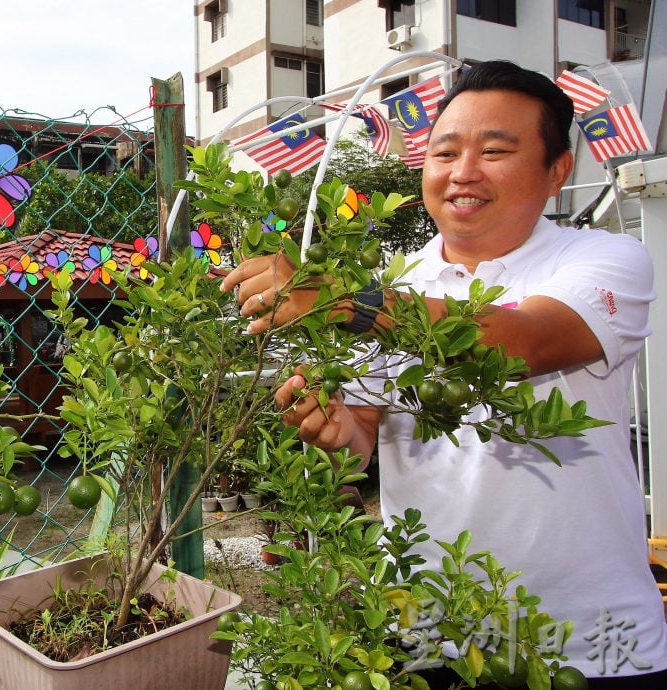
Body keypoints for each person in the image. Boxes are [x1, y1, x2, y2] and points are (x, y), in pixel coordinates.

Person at [221, 61, 667, 687]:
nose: (463, 172)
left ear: (557, 170)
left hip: (585, 641)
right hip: (431, 634)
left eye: (495, 151)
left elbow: (526, 340)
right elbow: (364, 435)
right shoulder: (399, 284)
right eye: (445, 151)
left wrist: (350, 301)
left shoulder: (605, 260)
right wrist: (333, 427)